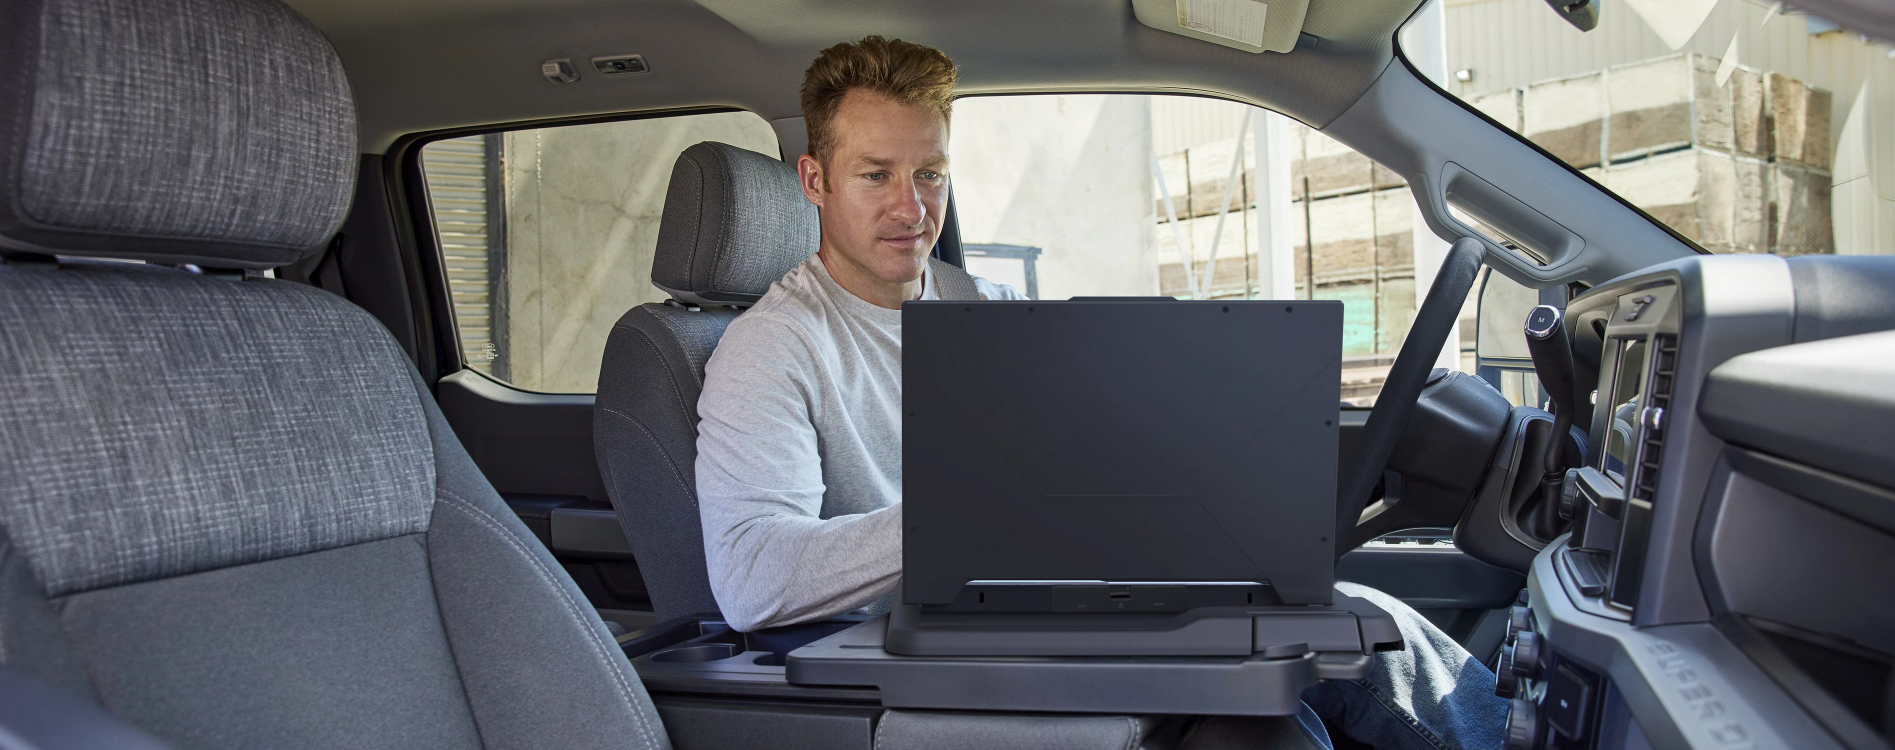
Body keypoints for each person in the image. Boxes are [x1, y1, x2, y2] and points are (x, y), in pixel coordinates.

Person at [693, 35, 1507, 750]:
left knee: (1350, 627)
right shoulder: (773, 347)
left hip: (1046, 612)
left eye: (929, 174)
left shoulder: (983, 307)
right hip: (922, 663)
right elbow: (752, 576)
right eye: (876, 175)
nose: (911, 208)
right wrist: (973, 512)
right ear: (814, 180)